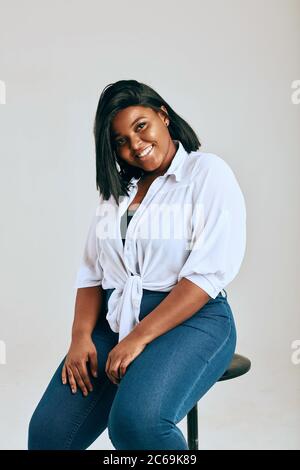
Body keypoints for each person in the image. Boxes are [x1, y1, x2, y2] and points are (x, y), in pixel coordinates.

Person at [27, 79, 246, 450]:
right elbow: (92, 273)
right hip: (114, 324)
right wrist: (80, 337)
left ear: (163, 115)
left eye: (140, 126)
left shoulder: (206, 173)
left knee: (136, 426)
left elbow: (205, 276)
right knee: (48, 435)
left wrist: (138, 339)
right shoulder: (117, 192)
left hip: (192, 321)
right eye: (120, 141)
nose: (135, 145)